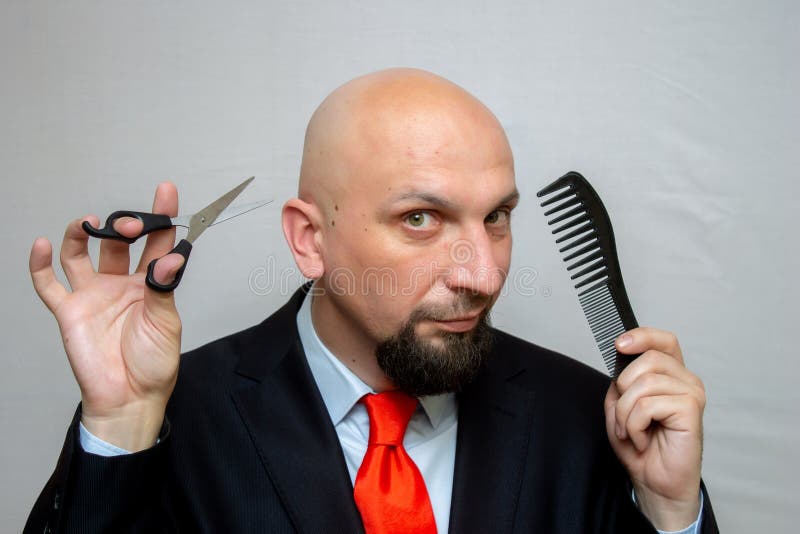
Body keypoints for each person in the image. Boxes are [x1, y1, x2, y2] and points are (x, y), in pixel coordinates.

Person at [25, 68, 718, 533]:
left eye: (497, 217)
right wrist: (119, 424)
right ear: (310, 239)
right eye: (421, 218)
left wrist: (669, 510)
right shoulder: (176, 420)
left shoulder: (587, 421)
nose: (482, 272)